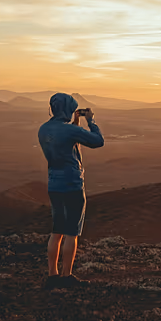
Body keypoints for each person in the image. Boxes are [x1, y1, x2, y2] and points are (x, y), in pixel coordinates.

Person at [37, 93, 104, 289]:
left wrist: (74, 122)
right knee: (71, 232)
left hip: (54, 185)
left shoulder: (44, 129)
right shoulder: (68, 131)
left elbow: (65, 138)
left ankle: (52, 275)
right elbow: (97, 141)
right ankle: (67, 276)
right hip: (72, 184)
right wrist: (91, 121)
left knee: (56, 230)